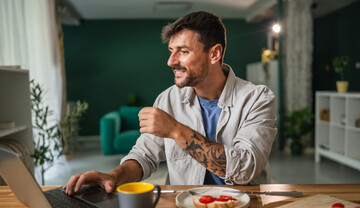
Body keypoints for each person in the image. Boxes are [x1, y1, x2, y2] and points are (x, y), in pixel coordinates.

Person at [63, 11, 277, 195]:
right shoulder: (168, 99)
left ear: (214, 53)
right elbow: (144, 156)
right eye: (171, 51)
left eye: (183, 51)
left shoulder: (257, 99)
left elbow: (245, 168)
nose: (171, 61)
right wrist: (113, 176)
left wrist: (175, 130)